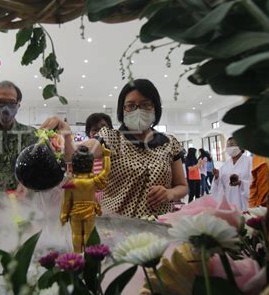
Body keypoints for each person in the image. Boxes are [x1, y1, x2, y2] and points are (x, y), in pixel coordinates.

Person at [42, 78, 188, 218]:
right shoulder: (110, 138)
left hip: (158, 227)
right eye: (130, 105)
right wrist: (67, 136)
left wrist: (170, 194)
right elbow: (74, 156)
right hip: (118, 228)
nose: (137, 110)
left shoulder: (169, 143)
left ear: (155, 107)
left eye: (145, 104)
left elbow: (182, 186)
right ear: (122, 110)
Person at [60, 144, 111, 252]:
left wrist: (64, 215)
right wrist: (106, 156)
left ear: (73, 166)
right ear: (91, 165)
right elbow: (106, 171)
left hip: (75, 213)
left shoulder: (70, 183)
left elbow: (67, 202)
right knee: (89, 235)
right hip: (90, 212)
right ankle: (88, 256)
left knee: (76, 235)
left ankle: (78, 255)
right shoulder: (93, 181)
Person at [211, 137, 252, 211]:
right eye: (228, 146)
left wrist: (241, 183)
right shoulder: (225, 166)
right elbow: (220, 186)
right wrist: (217, 177)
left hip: (243, 202)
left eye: (232, 145)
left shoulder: (249, 162)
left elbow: (254, 182)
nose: (229, 148)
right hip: (229, 201)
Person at [84, 112, 113, 202]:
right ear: (89, 133)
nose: (100, 133)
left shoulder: (115, 156)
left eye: (103, 129)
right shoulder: (83, 158)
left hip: (111, 205)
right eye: (94, 130)